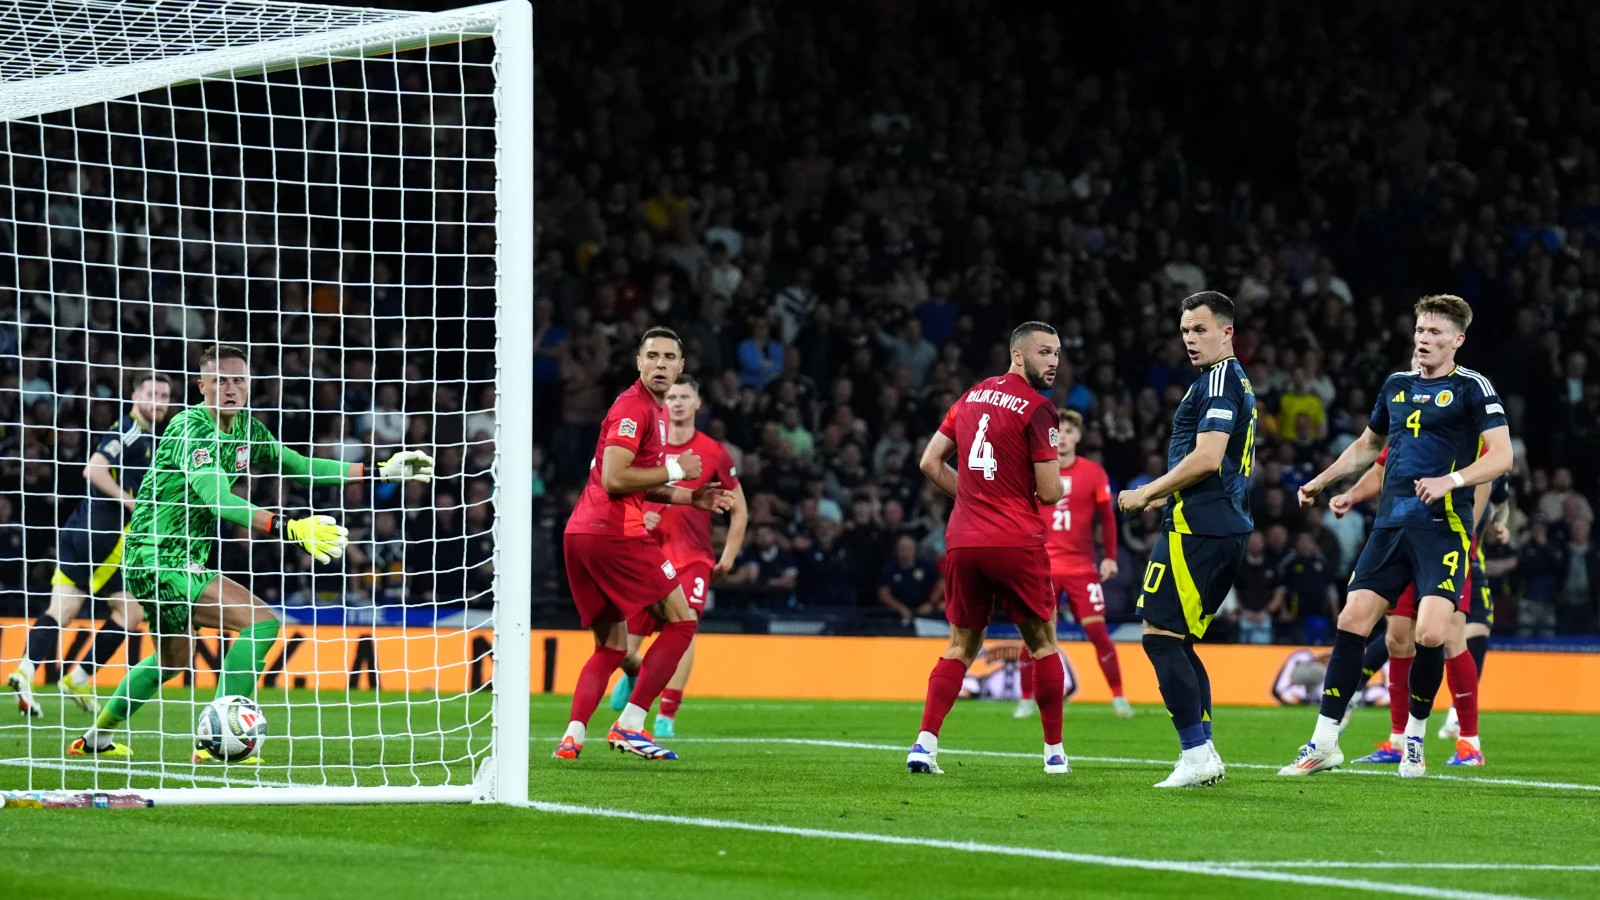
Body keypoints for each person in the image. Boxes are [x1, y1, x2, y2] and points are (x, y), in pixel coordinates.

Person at [69, 344, 434, 761]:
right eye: (220, 380)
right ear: (202, 385)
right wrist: (288, 527)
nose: (230, 388)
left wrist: (378, 471)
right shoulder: (190, 428)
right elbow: (218, 498)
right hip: (159, 556)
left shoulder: (246, 429)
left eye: (238, 380)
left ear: (248, 385)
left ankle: (94, 740)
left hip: (166, 559)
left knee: (172, 662)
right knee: (261, 622)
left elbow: (299, 465)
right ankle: (218, 742)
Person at [1280, 295, 1511, 779]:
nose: (1424, 339)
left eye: (1435, 332)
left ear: (1457, 340)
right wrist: (1324, 481)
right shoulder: (1396, 385)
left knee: (1431, 635)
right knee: (1352, 620)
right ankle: (1324, 742)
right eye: (1420, 330)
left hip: (1442, 530)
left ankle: (1415, 740)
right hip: (1389, 528)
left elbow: (1501, 456)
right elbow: (1369, 446)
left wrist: (1451, 481)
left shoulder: (1472, 387)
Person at [555, 328, 734, 762]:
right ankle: (632, 724)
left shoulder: (651, 409)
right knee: (682, 621)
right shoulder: (633, 408)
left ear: (681, 366)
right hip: (615, 533)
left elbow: (634, 481)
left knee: (612, 647)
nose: (660, 364)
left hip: (581, 535)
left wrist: (691, 497)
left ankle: (572, 737)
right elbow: (616, 478)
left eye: (669, 357)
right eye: (652, 356)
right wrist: (676, 469)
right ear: (638, 362)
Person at [905, 321, 1069, 776]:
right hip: (1015, 540)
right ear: (1017, 354)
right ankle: (1054, 753)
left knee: (960, 645)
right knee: (1043, 644)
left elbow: (929, 462)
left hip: (963, 539)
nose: (1053, 362)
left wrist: (975, 498)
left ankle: (923, 745)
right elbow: (1050, 492)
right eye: (1044, 352)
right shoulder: (1038, 408)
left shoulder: (970, 397)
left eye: (1057, 353)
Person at [1118, 291, 1257, 789]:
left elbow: (1208, 458)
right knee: (1179, 641)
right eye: (1184, 331)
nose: (1190, 339)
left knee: (1158, 637)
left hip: (1199, 528)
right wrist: (1162, 496)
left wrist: (1147, 491)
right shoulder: (1232, 380)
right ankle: (1205, 750)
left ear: (1227, 331)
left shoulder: (1218, 381)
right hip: (1220, 525)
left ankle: (1195, 754)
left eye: (1200, 329)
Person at [1332, 438, 1508, 768]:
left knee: (1449, 637)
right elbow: (1381, 468)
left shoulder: (1471, 438)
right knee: (1397, 639)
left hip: (1446, 547)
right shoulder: (1408, 427)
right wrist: (1351, 495)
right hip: (1402, 542)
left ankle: (1469, 741)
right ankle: (1398, 740)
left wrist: (1465, 545)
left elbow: (1482, 497)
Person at [7, 374, 172, 717]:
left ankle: (26, 672)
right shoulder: (128, 430)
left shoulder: (147, 438)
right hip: (105, 538)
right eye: (152, 393)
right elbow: (94, 470)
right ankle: (74, 678)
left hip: (79, 530)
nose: (158, 401)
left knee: (80, 611)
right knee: (123, 612)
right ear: (134, 396)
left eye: (164, 395)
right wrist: (131, 503)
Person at [607, 376, 749, 739]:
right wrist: (639, 518)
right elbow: (617, 490)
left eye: (686, 396)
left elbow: (740, 508)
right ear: (663, 403)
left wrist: (728, 557)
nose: (678, 402)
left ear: (698, 403)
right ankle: (634, 673)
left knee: (684, 626)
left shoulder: (714, 451)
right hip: (646, 555)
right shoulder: (647, 446)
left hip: (692, 558)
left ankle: (667, 713)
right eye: (672, 397)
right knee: (625, 648)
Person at [1018, 408, 1130, 720]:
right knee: (1035, 634)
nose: (1063, 438)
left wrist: (1110, 557)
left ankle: (1119, 698)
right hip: (1044, 566)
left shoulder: (1094, 473)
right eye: (1058, 432)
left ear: (1079, 436)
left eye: (1069, 432)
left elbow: (1108, 518)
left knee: (1098, 633)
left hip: (1082, 567)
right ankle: (1025, 699)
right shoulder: (1037, 470)